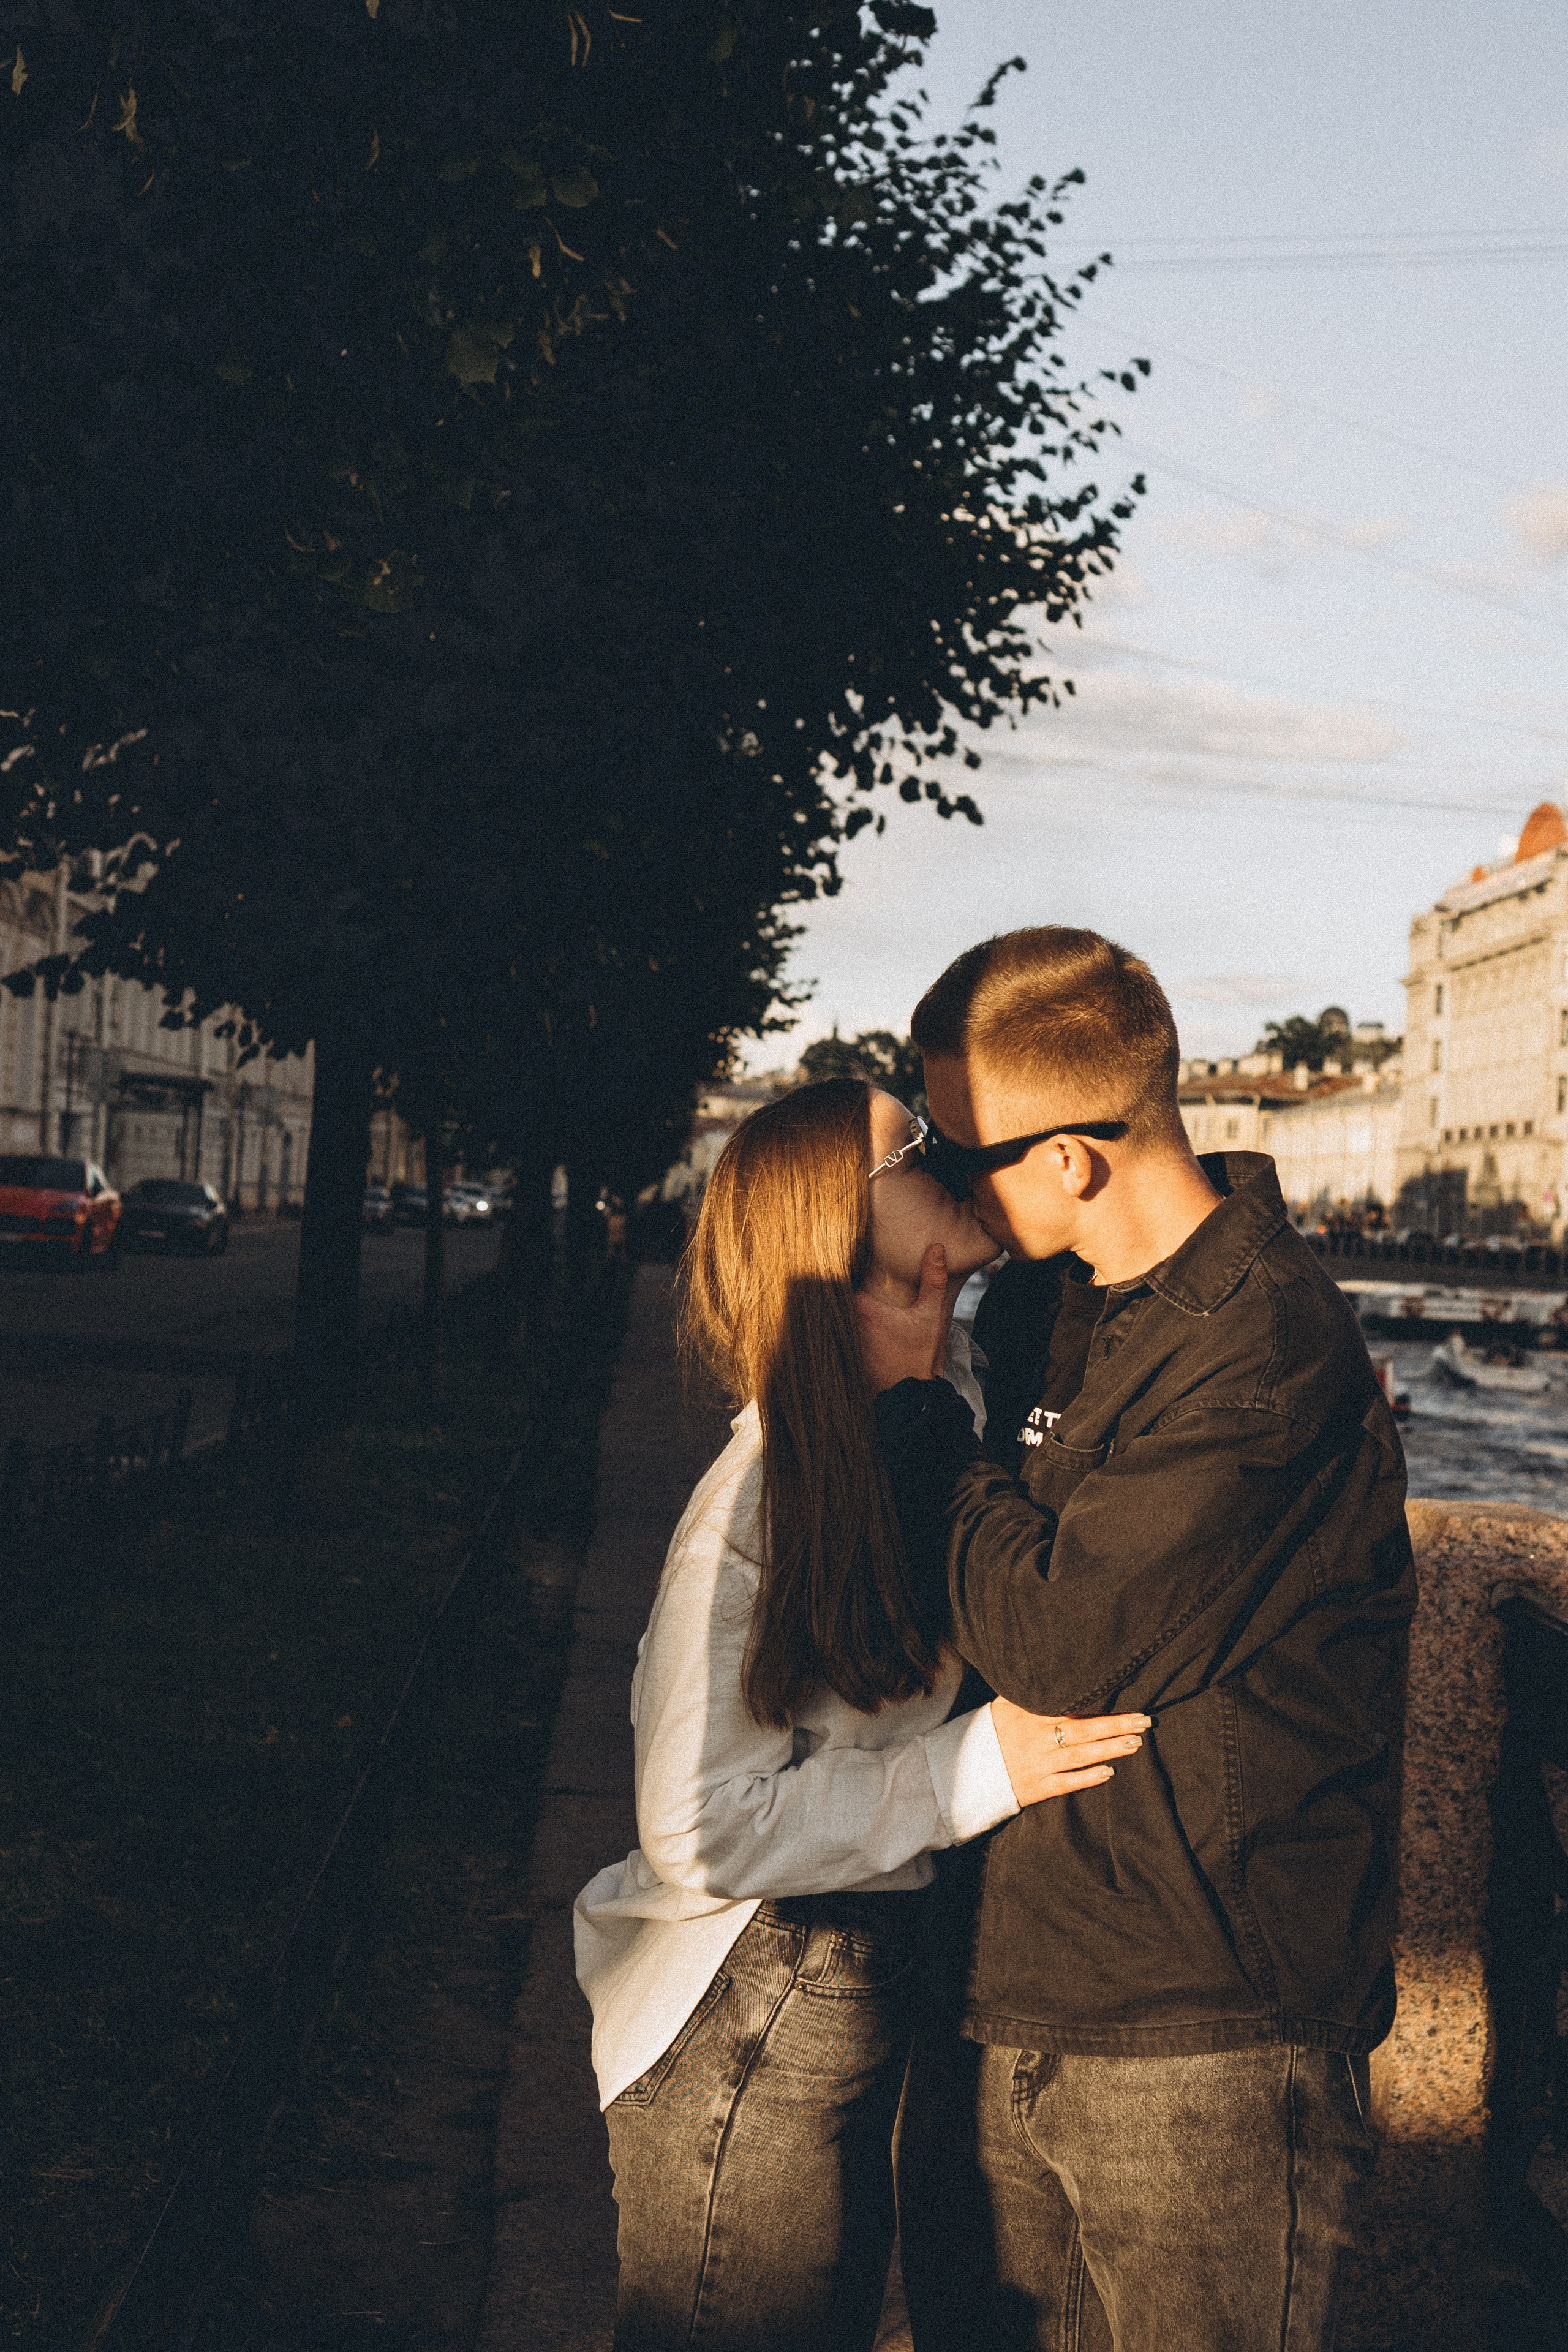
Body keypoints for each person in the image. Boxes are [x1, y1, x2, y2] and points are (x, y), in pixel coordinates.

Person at [856, 928, 1417, 2352]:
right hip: (994, 1982)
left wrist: (917, 1421)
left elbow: (1059, 1636)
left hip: (1205, 2036)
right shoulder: (1038, 1297)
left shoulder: (1269, 1347)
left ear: (1069, 1159)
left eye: (954, 1144)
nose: (936, 1172)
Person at [575, 1076, 1151, 2352]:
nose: (952, 1161)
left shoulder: (944, 1408)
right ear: (834, 1227)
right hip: (746, 2010)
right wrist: (973, 1771)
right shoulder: (761, 1495)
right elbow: (695, 1823)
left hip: (828, 1999)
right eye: (914, 1147)